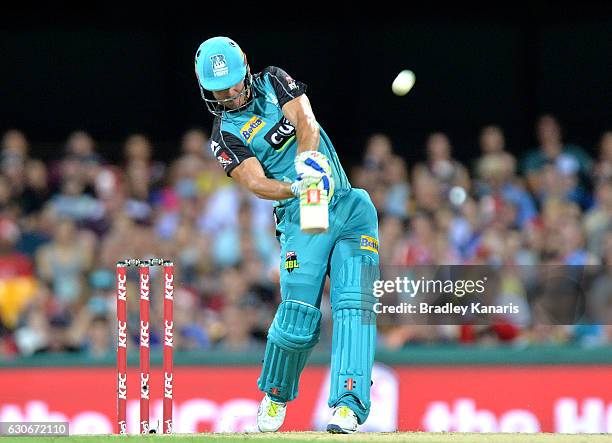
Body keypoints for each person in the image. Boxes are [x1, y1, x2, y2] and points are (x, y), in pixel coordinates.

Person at [194, 36, 379, 434]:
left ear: (245, 65)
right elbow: (257, 184)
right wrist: (299, 189)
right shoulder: (223, 134)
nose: (226, 94)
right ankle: (276, 393)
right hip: (299, 214)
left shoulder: (273, 80)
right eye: (216, 89)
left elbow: (306, 123)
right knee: (299, 317)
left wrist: (309, 168)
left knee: (355, 305)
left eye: (230, 83)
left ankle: (349, 404)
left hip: (346, 204)